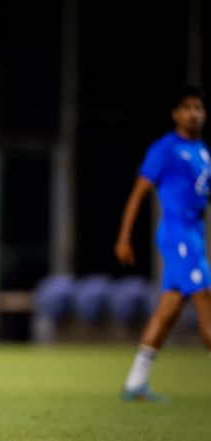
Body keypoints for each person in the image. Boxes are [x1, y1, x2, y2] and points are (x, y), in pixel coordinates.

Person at [115, 85, 211, 401]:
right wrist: (124, 237)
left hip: (193, 235)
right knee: (206, 301)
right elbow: (138, 193)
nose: (193, 113)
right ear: (175, 114)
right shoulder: (166, 149)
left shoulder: (203, 151)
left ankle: (135, 384)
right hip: (178, 235)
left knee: (168, 310)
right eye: (187, 108)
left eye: (198, 108)